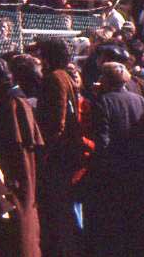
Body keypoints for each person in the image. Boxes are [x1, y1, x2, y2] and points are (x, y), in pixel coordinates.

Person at [0, 57, 44, 257]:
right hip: (26, 168)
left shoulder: (7, 105)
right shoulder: (19, 100)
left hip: (12, 174)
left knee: (17, 224)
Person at [84, 62, 144, 257]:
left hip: (113, 168)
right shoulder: (140, 100)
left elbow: (102, 140)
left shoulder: (103, 102)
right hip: (137, 164)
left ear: (105, 79)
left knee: (114, 221)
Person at [36, 39, 83, 257]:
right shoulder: (64, 76)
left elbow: (58, 121)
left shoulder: (54, 78)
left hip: (57, 156)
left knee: (59, 212)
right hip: (66, 153)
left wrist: (45, 151)